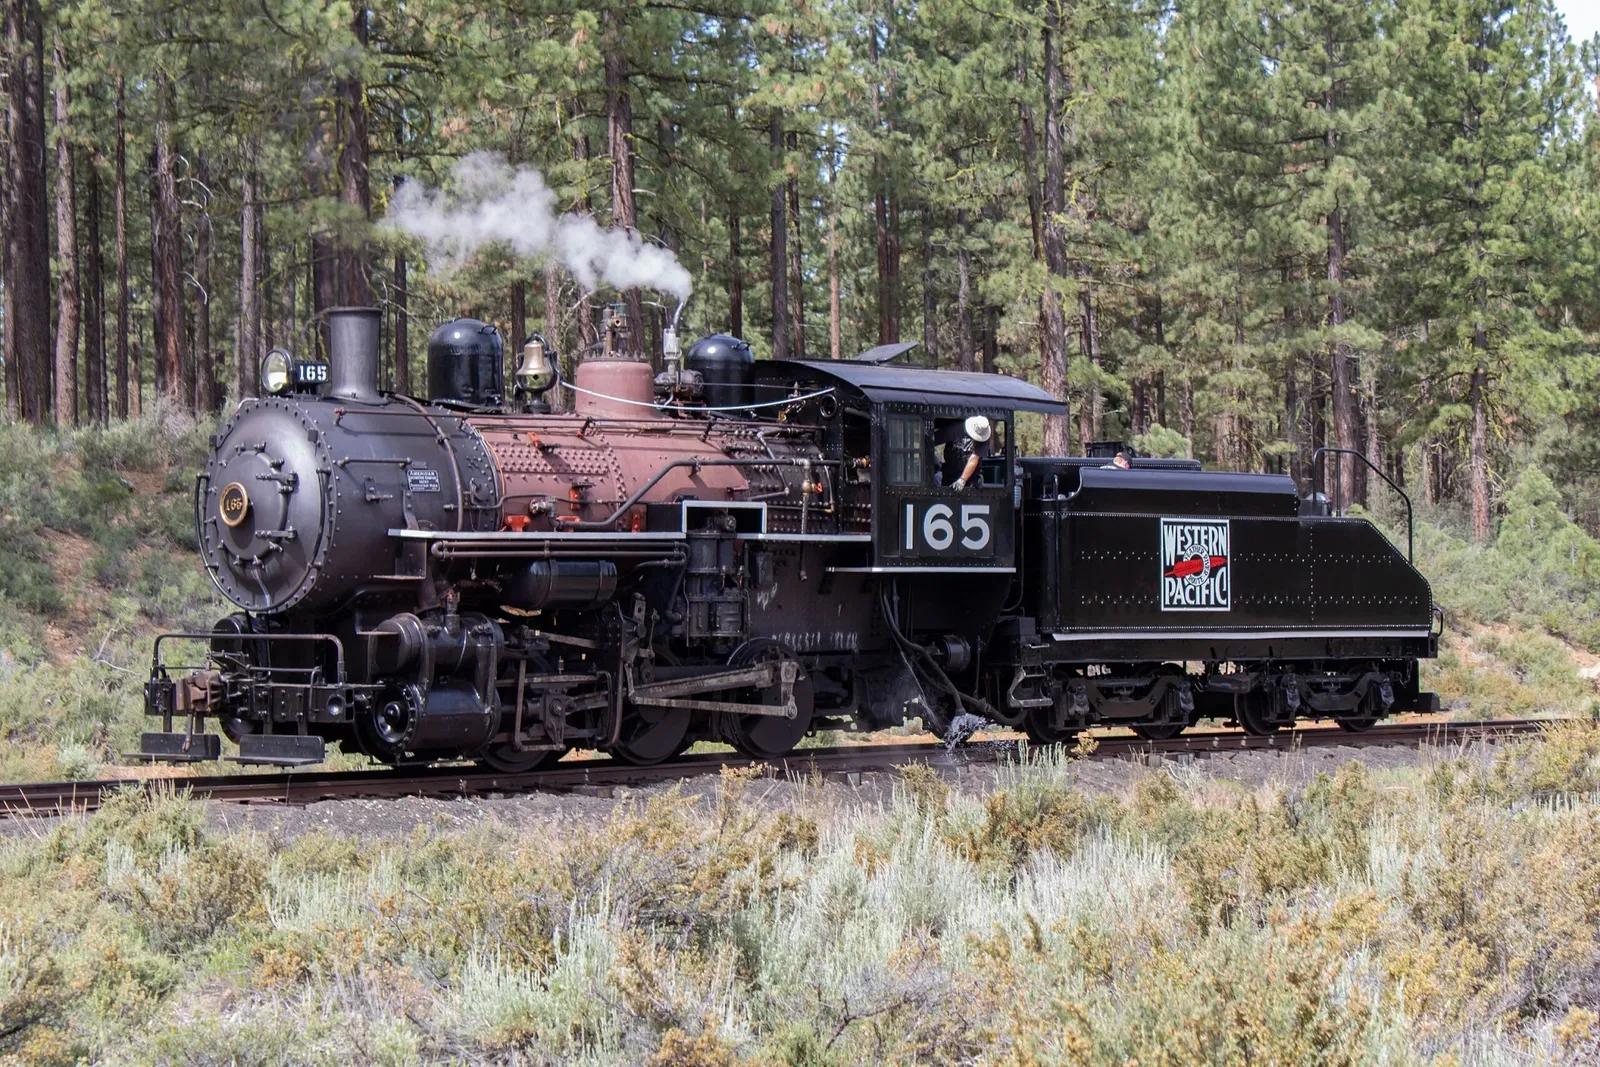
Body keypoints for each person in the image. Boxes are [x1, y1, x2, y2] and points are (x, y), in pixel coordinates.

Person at [938, 415, 993, 489]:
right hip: (950, 473)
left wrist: (962, 480)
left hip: (972, 479)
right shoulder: (956, 429)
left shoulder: (984, 438)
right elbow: (936, 439)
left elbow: (974, 459)